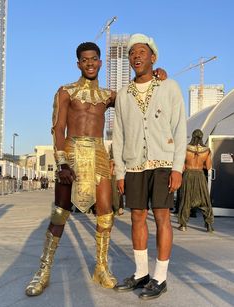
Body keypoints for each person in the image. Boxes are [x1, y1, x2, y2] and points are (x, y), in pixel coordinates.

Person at [25, 41, 166, 296]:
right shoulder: (65, 92)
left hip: (99, 153)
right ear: (78, 63)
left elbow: (136, 92)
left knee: (106, 213)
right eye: (85, 60)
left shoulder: (110, 95)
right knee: (59, 214)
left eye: (94, 59)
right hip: (72, 153)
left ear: (101, 62)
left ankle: (101, 267)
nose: (90, 63)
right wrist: (62, 162)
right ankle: (43, 271)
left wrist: (155, 76)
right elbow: (57, 128)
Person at [112, 33, 187, 300]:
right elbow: (118, 135)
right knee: (137, 217)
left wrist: (178, 167)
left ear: (153, 58)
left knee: (163, 217)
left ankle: (160, 277)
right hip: (134, 165)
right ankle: (141, 272)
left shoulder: (170, 87)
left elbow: (180, 129)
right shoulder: (122, 95)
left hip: (164, 163)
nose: (136, 56)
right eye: (132, 53)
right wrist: (120, 171)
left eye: (142, 51)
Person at [178, 129, 214, 232]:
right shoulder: (207, 150)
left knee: (186, 199)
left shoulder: (186, 149)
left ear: (192, 136)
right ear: (201, 137)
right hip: (200, 175)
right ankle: (209, 225)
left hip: (188, 174)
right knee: (205, 200)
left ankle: (183, 225)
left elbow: (182, 167)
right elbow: (208, 166)